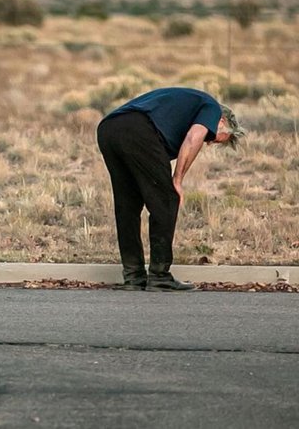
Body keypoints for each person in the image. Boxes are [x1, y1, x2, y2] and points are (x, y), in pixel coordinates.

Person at [96, 87, 245, 291]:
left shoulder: (187, 106)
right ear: (222, 122)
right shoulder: (212, 108)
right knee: (167, 200)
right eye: (213, 138)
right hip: (137, 129)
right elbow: (193, 138)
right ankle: (159, 276)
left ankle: (133, 277)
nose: (209, 143)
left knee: (128, 206)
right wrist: (177, 180)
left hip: (108, 129)